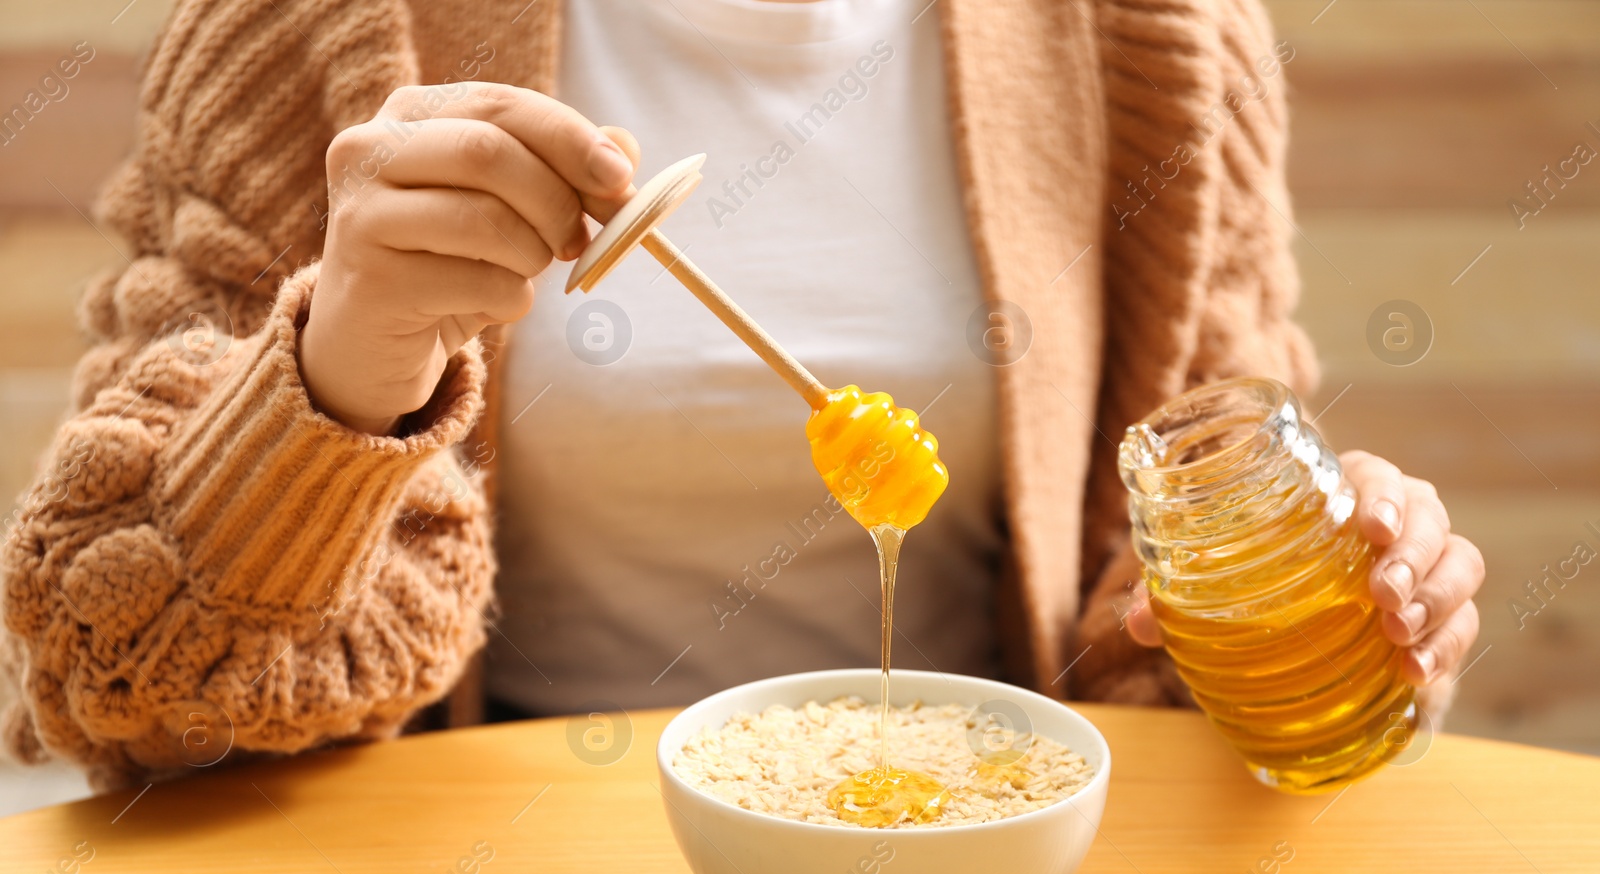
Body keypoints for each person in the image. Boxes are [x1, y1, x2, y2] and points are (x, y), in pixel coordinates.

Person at [0, 0, 1483, 789]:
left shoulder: (1155, 31)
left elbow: (1173, 586)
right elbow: (113, 687)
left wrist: (1337, 603)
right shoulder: (319, 24)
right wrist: (340, 382)